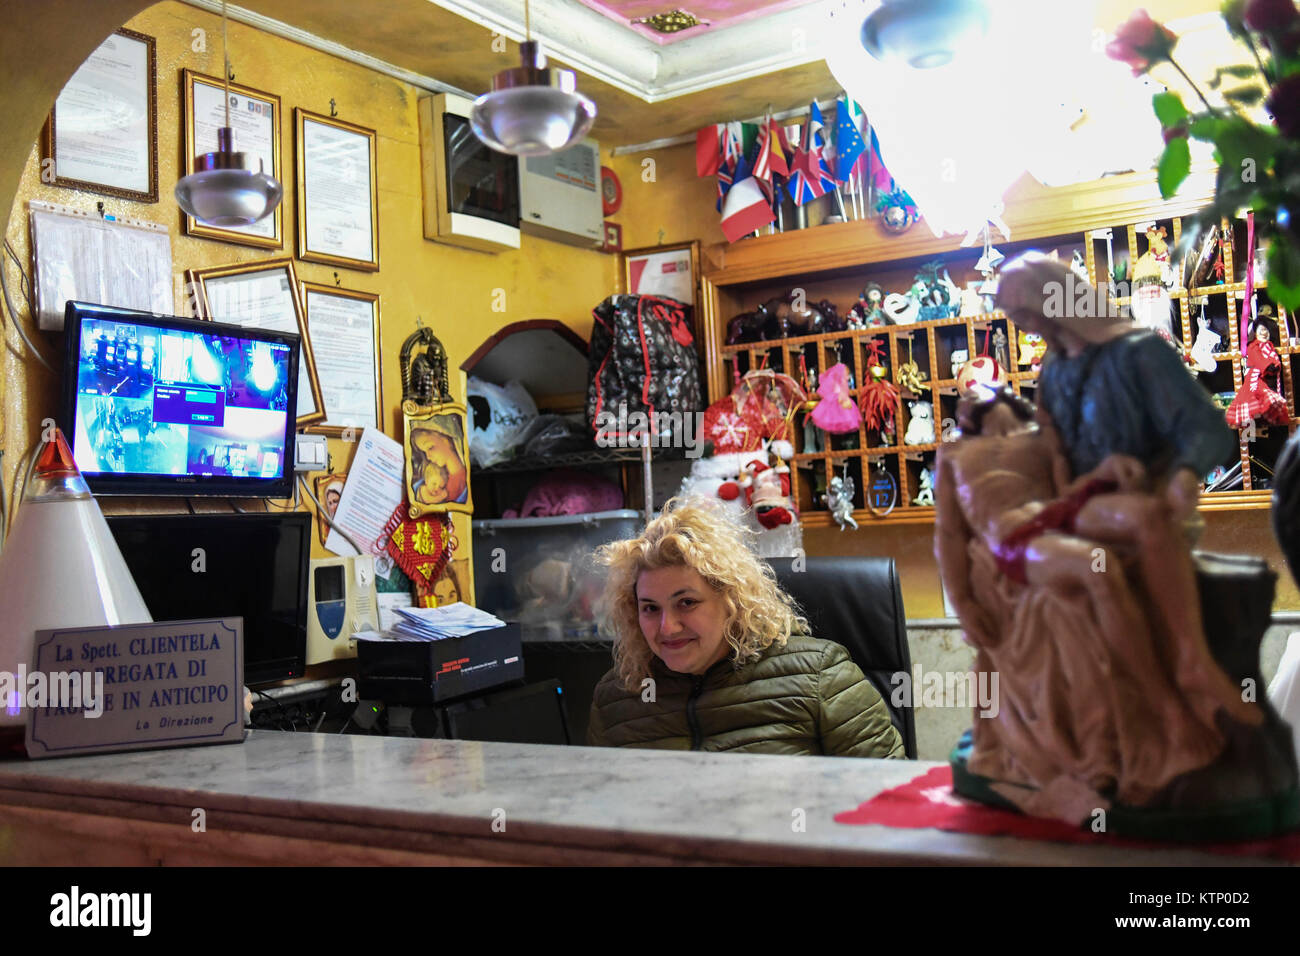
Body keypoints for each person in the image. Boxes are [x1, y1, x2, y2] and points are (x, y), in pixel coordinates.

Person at [935, 387, 1258, 818]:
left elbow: (1070, 491)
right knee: (1096, 566)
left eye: (977, 391)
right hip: (1014, 543)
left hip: (1055, 526)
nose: (967, 396)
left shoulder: (1042, 436)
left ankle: (1167, 701)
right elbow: (951, 534)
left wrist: (1106, 470)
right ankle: (1164, 705)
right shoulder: (955, 452)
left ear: (1006, 398)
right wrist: (961, 600)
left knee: (1114, 559)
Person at [586, 499, 904, 758]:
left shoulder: (821, 677)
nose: (667, 628)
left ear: (730, 600)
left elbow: (890, 801)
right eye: (650, 608)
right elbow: (597, 814)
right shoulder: (617, 697)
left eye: (686, 602)